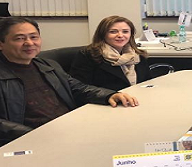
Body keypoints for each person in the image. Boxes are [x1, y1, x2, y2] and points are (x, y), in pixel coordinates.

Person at [0, 17, 138, 145]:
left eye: (34, 37)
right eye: (19, 38)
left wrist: (109, 95)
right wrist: (31, 135)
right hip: (33, 140)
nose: (29, 43)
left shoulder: (48, 66)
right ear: (1, 44)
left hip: (69, 129)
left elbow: (78, 88)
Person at [70, 16, 151, 91]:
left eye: (125, 31)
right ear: (103, 34)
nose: (120, 35)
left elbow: (147, 84)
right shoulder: (89, 55)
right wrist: (109, 96)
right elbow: (79, 88)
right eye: (113, 32)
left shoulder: (138, 55)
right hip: (104, 100)